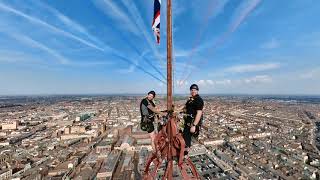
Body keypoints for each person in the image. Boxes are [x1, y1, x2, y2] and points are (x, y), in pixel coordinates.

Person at [181, 84, 204, 155]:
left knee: (187, 140)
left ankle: (185, 155)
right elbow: (184, 108)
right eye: (192, 90)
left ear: (197, 91)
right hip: (188, 121)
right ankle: (184, 153)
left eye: (195, 90)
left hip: (192, 122)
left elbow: (199, 113)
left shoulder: (199, 100)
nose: (193, 91)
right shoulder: (191, 99)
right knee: (185, 137)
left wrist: (194, 125)